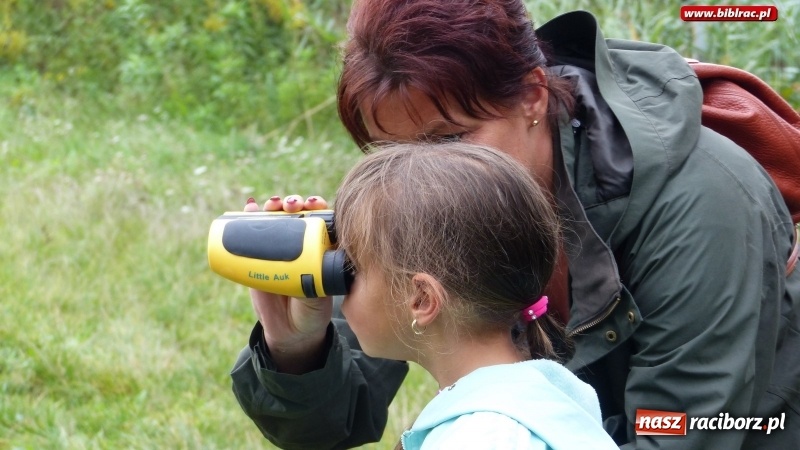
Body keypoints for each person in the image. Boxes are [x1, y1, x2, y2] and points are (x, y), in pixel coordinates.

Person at [230, 0, 800, 449]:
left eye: (447, 140)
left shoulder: (704, 205)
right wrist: (299, 347)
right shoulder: (429, 197)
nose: (418, 174)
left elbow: (682, 434)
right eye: (390, 151)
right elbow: (328, 426)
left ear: (532, 93)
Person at [339, 142, 619, 448]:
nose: (338, 285)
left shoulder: (485, 437)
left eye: (351, 267)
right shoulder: (547, 399)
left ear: (421, 299)